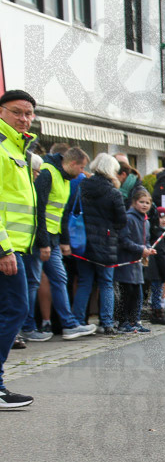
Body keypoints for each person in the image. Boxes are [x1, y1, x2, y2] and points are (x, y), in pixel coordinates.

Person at [22, 146, 96, 341]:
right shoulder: (48, 174)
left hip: (52, 239)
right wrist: (44, 242)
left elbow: (61, 214)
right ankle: (28, 327)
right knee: (33, 282)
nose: (82, 172)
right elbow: (38, 210)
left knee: (59, 279)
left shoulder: (63, 178)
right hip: (41, 238)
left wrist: (64, 241)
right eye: (81, 167)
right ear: (72, 163)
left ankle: (69, 325)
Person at [0, 89, 43, 408]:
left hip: (18, 247)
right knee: (15, 309)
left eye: (29, 113)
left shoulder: (19, 149)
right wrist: (4, 249)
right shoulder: (3, 147)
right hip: (6, 249)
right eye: (17, 112)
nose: (24, 118)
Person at [71, 153, 127, 335]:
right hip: (106, 242)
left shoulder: (82, 187)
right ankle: (107, 323)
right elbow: (121, 220)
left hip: (84, 241)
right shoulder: (113, 192)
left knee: (85, 282)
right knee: (106, 283)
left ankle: (78, 321)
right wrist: (111, 231)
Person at [115, 187, 157, 332]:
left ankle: (134, 321)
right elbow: (124, 240)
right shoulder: (129, 218)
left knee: (138, 294)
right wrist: (141, 249)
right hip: (127, 261)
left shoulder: (146, 221)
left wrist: (148, 248)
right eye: (141, 202)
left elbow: (146, 239)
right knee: (127, 293)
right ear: (134, 202)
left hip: (137, 263)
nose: (144, 205)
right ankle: (123, 321)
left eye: (147, 203)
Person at [145, 207, 165, 325]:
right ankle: (157, 313)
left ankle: (158, 311)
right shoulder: (157, 234)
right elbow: (161, 255)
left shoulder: (163, 232)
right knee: (156, 292)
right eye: (161, 217)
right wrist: (164, 273)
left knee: (158, 292)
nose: (163, 220)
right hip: (157, 269)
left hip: (160, 269)